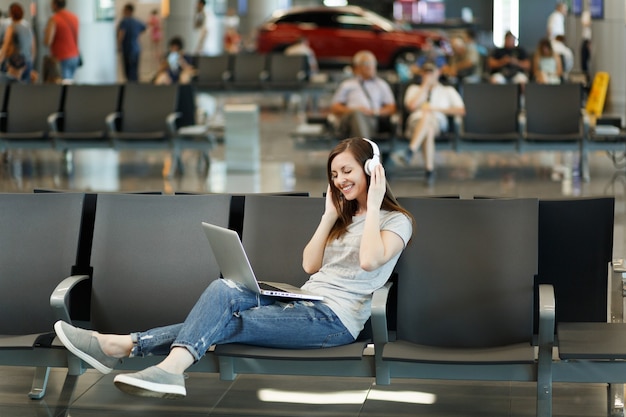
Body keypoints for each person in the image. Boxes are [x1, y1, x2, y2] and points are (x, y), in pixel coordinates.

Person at [53, 136, 414, 399]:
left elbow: (370, 260)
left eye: (347, 171)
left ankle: (131, 351)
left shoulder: (396, 222)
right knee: (226, 288)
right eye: (334, 174)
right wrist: (327, 217)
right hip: (304, 302)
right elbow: (309, 264)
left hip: (334, 322)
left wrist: (375, 204)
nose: (339, 181)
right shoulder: (341, 216)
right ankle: (135, 354)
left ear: (371, 169)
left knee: (224, 320)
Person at [394, 62, 465, 186]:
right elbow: (411, 106)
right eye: (426, 72)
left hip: (438, 122)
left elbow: (461, 110)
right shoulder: (414, 89)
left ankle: (411, 150)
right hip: (415, 123)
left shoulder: (447, 90)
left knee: (429, 119)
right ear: (422, 74)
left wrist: (434, 109)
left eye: (431, 72)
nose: (429, 75)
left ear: (438, 73)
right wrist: (425, 86)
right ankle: (429, 170)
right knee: (429, 128)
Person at [330, 50, 396, 139]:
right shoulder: (347, 84)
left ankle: (362, 148)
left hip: (372, 120)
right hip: (348, 121)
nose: (370, 66)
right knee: (357, 114)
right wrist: (353, 110)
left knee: (361, 119)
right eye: (366, 63)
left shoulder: (381, 85)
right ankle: (365, 148)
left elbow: (391, 108)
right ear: (357, 67)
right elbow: (334, 108)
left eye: (372, 63)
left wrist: (374, 112)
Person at [44, 0, 80, 83]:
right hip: (75, 55)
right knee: (70, 81)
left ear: (55, 5)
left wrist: (46, 32)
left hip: (62, 56)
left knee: (64, 85)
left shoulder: (54, 19)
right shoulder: (74, 17)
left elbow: (48, 41)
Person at [0, 3, 35, 83]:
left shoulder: (12, 27)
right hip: (27, 62)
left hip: (16, 64)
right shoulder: (28, 27)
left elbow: (5, 46)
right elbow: (33, 47)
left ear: (11, 14)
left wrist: (0, 60)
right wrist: (31, 61)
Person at [117, 3, 146, 82]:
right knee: (134, 70)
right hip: (136, 48)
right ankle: (135, 88)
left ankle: (129, 88)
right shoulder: (136, 21)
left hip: (128, 49)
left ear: (127, 11)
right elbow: (144, 27)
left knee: (128, 71)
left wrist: (119, 45)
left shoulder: (124, 22)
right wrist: (136, 35)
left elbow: (121, 33)